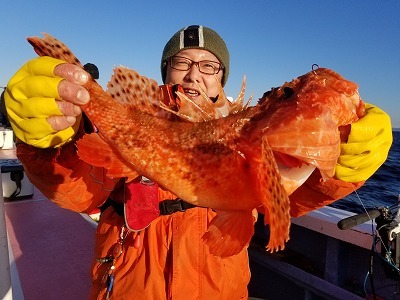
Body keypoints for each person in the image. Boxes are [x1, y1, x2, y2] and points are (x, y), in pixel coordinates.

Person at [4, 25, 392, 299]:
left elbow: (289, 201)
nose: (194, 74)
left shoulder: (255, 133)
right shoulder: (129, 117)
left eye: (208, 65)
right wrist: (46, 145)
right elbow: (78, 193)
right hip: (128, 285)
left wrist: (342, 169)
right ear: (166, 71)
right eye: (181, 62)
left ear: (221, 77)